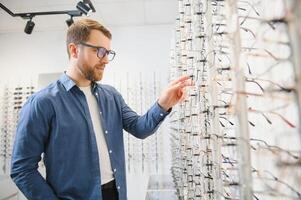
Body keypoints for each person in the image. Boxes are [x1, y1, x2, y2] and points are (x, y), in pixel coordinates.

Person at [10, 18, 192, 200]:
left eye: (108, 52)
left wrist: (163, 103)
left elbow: (139, 128)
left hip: (116, 193)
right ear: (74, 50)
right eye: (99, 51)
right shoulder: (42, 103)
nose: (106, 60)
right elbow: (22, 169)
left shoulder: (111, 96)